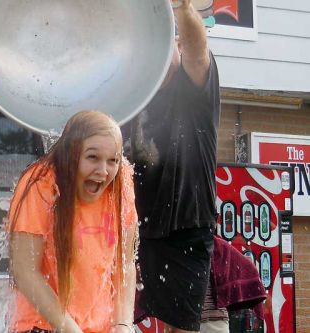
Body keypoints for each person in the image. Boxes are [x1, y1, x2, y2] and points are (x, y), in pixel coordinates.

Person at [125, 0, 221, 332]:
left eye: (168, 45)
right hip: (135, 230)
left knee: (179, 328)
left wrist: (180, 7)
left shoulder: (194, 92)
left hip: (185, 225)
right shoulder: (130, 93)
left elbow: (198, 52)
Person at [8, 110, 138, 333]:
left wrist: (123, 323)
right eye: (92, 157)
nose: (103, 171)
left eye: (113, 160)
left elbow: (125, 263)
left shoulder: (121, 181)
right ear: (70, 154)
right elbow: (25, 271)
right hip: (43, 326)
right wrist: (70, 329)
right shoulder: (42, 182)